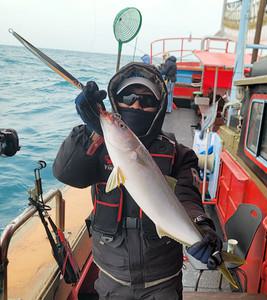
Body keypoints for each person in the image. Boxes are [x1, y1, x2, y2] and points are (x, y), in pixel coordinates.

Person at [53, 62, 222, 300]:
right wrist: (91, 131)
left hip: (163, 280)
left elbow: (187, 197)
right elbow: (65, 173)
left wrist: (201, 227)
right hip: (111, 276)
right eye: (128, 97)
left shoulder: (180, 154)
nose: (136, 105)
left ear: (159, 106)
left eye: (147, 100)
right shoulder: (99, 146)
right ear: (116, 101)